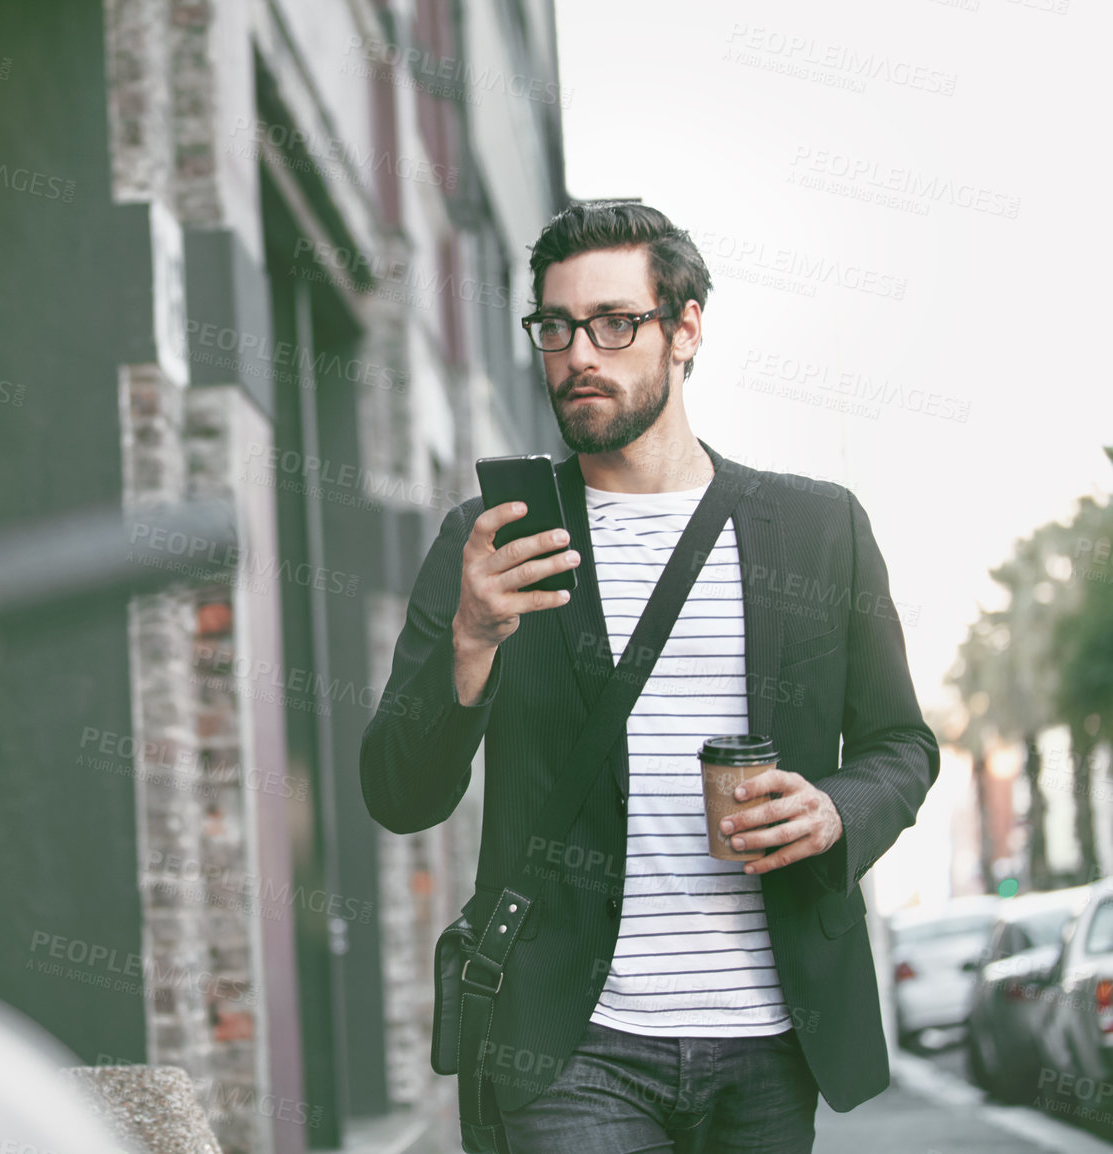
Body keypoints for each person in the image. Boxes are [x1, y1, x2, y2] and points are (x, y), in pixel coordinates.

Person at [358, 201, 938, 1153]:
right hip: (571, 1044)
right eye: (556, 326)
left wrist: (836, 811)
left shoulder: (818, 529)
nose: (579, 353)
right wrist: (471, 639)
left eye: (615, 323)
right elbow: (399, 792)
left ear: (685, 329)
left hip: (770, 1036)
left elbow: (900, 745)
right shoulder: (493, 540)